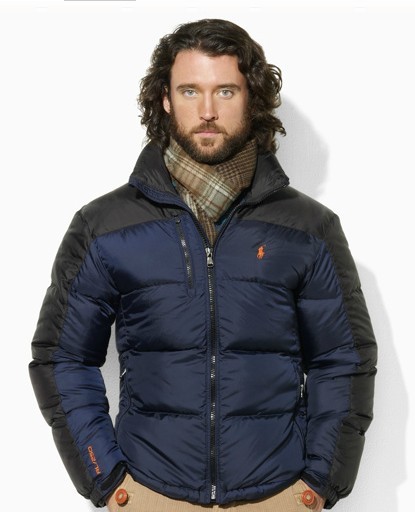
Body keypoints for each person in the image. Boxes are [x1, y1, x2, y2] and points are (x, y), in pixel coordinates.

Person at [29, 19, 377, 512]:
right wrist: (106, 480)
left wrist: (320, 482)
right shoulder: (104, 225)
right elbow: (62, 358)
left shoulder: (309, 227)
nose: (207, 111)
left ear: (252, 100)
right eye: (190, 91)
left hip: (277, 495)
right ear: (165, 100)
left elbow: (343, 360)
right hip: (149, 494)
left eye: (225, 91)